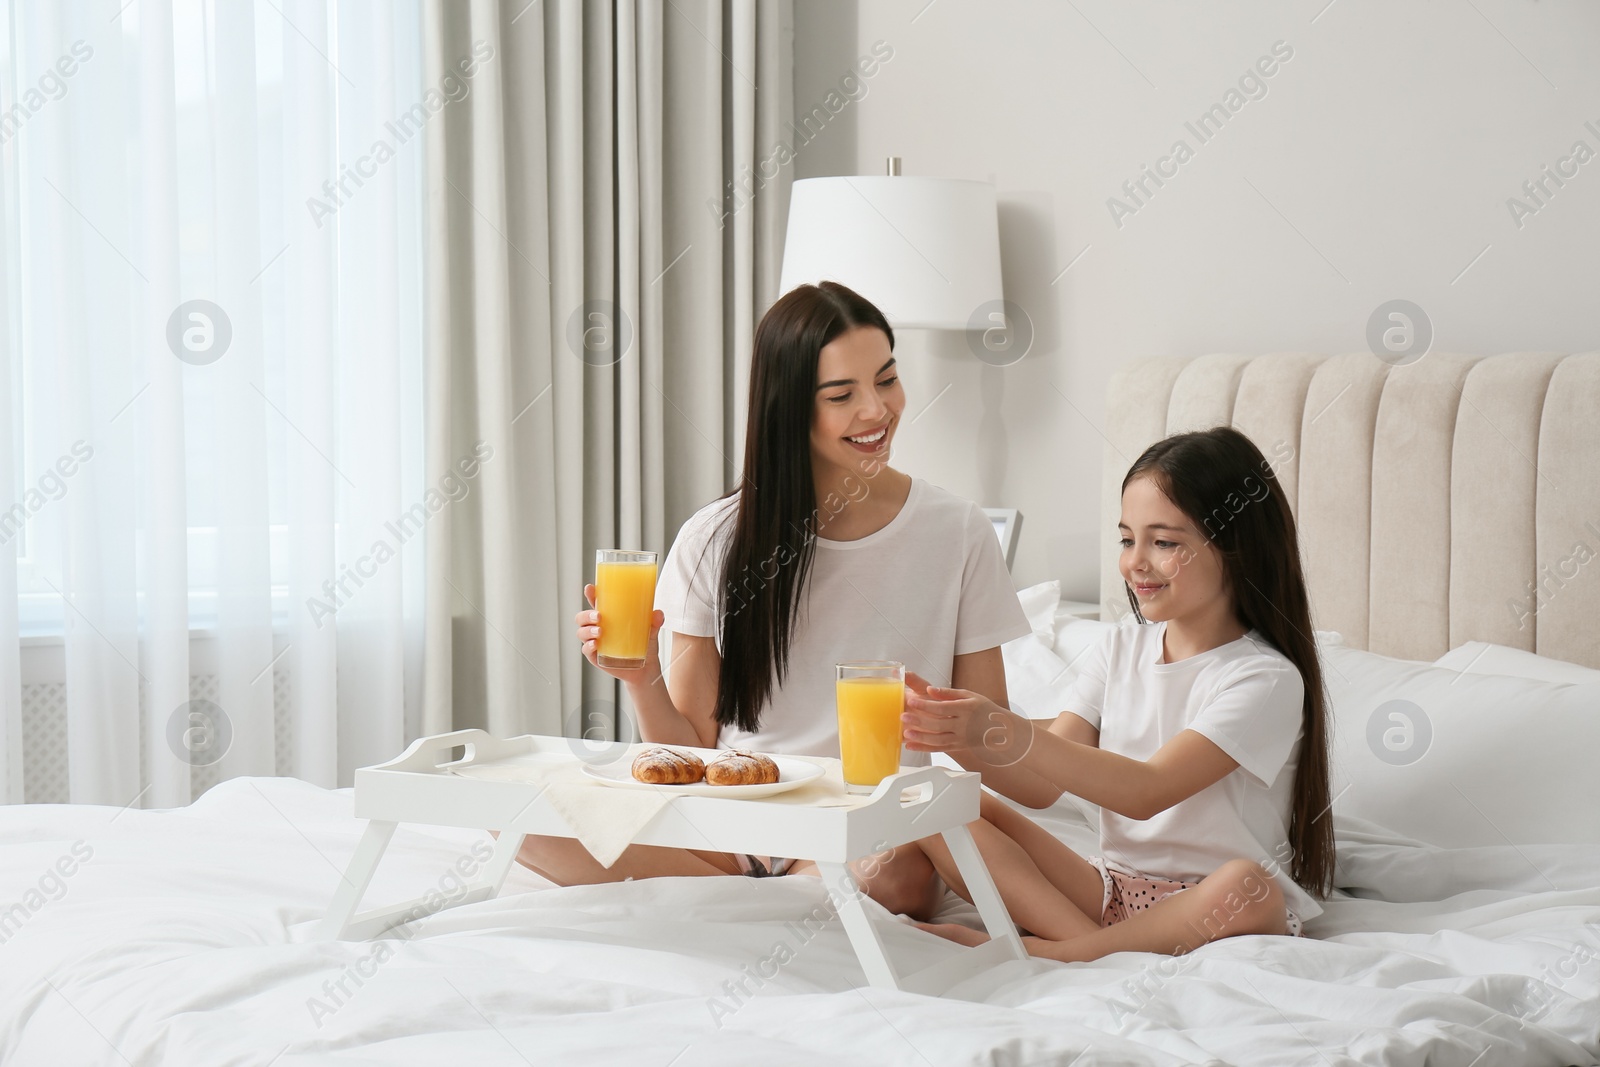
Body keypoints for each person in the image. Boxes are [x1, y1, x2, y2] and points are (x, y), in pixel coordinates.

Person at [510, 281, 1030, 916]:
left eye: (887, 379)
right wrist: (642, 675)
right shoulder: (714, 539)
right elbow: (695, 749)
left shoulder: (958, 531)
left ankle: (748, 908)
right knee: (519, 820)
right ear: (788, 408)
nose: (877, 411)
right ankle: (777, 906)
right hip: (733, 823)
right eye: (842, 395)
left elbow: (991, 735)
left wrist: (987, 738)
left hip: (863, 824)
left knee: (896, 878)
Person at [903, 426, 1335, 961]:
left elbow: (1146, 791)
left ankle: (1054, 953)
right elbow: (1040, 785)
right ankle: (1090, 946)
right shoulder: (1121, 647)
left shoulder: (1264, 679)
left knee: (1248, 885)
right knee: (929, 797)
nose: (1136, 562)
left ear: (1235, 546)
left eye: (1165, 542)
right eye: (1128, 539)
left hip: (1214, 904)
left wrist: (1007, 729)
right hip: (1112, 892)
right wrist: (953, 732)